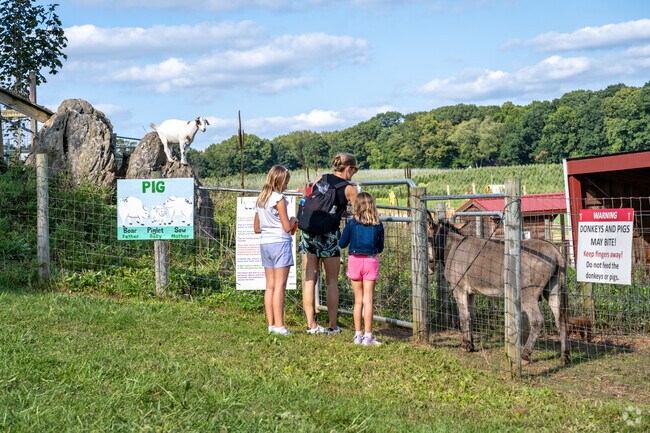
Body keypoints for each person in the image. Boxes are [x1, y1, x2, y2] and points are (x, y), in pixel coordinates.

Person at [300, 153, 359, 335]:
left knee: (310, 278)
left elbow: (307, 197)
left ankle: (311, 325)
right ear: (348, 168)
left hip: (308, 232)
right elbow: (359, 212)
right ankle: (333, 326)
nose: (354, 173)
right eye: (354, 169)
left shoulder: (321, 178)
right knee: (331, 280)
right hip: (329, 235)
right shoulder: (349, 188)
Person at [254, 165, 297, 336]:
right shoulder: (279, 199)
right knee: (280, 287)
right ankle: (280, 326)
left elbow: (257, 228)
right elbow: (287, 227)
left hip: (265, 244)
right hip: (280, 243)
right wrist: (294, 219)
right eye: (286, 182)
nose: (287, 185)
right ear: (279, 181)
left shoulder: (261, 199)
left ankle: (271, 324)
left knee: (270, 286)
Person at [338, 192, 384, 346]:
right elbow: (381, 247)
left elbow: (342, 243)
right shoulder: (378, 224)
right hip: (370, 261)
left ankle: (358, 335)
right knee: (368, 301)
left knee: (358, 301)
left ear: (356, 206)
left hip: (354, 261)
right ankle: (368, 336)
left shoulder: (351, 224)